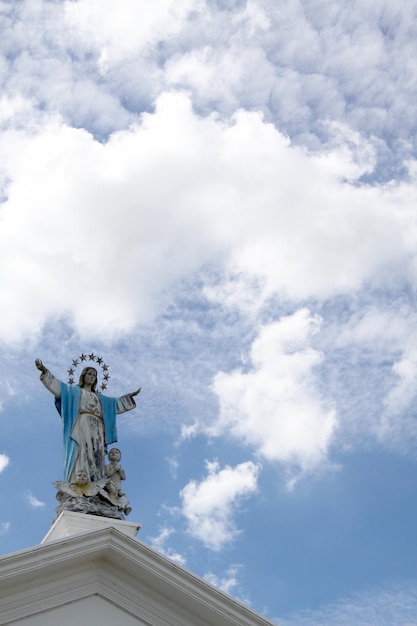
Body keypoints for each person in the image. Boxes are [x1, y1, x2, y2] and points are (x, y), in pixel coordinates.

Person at [35, 359, 140, 484]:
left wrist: (129, 398)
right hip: (81, 423)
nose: (92, 377)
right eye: (89, 374)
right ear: (83, 376)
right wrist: (45, 372)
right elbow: (58, 387)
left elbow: (114, 405)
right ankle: (80, 480)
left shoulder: (100, 398)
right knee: (81, 452)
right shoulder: (73, 392)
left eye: (94, 375)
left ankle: (96, 482)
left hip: (98, 428)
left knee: (97, 453)